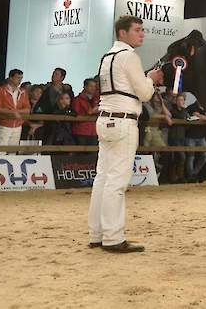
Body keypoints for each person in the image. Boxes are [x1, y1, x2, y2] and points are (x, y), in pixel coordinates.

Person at [87, 15, 162, 253]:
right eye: (137, 30)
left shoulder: (107, 57)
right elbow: (144, 93)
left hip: (105, 119)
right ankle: (113, 237)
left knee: (102, 178)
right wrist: (151, 79)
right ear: (123, 33)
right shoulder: (129, 56)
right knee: (116, 182)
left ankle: (97, 234)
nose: (142, 34)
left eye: (142, 30)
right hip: (123, 122)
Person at [0, 69, 31, 155]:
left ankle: (10, 168)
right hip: (4, 125)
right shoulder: (0, 90)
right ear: (10, 78)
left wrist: (15, 112)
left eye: (21, 78)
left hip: (18, 125)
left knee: (13, 151)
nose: (20, 80)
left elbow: (28, 109)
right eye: (17, 78)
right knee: (1, 151)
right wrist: (12, 113)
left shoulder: (23, 92)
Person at [182, 95, 206, 183]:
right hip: (190, 136)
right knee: (191, 157)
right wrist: (204, 118)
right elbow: (189, 118)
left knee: (205, 155)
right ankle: (191, 176)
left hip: (201, 136)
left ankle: (194, 174)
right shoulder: (191, 107)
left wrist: (200, 116)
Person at [71, 78, 100, 146]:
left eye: (94, 86)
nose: (93, 88)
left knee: (93, 154)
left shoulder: (97, 99)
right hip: (81, 131)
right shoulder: (77, 99)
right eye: (91, 86)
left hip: (94, 131)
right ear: (85, 86)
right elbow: (76, 113)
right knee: (81, 154)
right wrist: (91, 111)